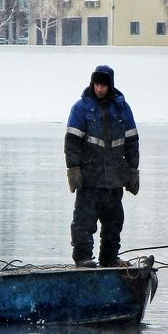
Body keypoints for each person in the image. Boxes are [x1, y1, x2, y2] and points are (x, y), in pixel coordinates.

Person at [64, 64, 139, 268]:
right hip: (89, 178)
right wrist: (73, 169)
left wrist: (133, 171)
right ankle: (83, 259)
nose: (99, 89)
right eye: (96, 85)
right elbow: (72, 143)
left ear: (110, 86)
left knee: (114, 223)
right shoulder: (81, 108)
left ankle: (109, 259)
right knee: (83, 221)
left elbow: (132, 142)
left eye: (103, 85)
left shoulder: (123, 109)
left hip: (114, 179)